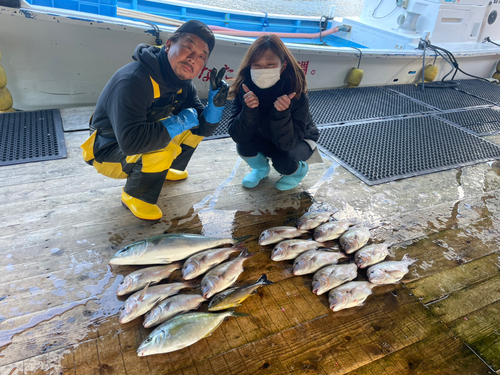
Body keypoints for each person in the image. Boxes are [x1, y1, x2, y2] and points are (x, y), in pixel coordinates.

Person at [81, 20, 229, 220]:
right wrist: (178, 122)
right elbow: (131, 143)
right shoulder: (133, 80)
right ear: (168, 45)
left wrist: (215, 106)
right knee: (163, 148)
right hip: (107, 150)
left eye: (202, 56)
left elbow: (201, 127)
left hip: (137, 140)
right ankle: (136, 196)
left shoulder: (183, 84)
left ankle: (163, 170)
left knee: (192, 129)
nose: (193, 58)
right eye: (188, 48)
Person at [227, 34, 319, 191]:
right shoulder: (244, 88)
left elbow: (288, 144)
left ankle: (297, 172)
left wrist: (282, 114)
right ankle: (261, 169)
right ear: (249, 67)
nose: (263, 70)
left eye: (270, 65)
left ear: (282, 66)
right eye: (256, 65)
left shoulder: (295, 92)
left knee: (283, 159)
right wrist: (249, 110)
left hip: (298, 139)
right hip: (266, 136)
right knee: (243, 145)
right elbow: (237, 135)